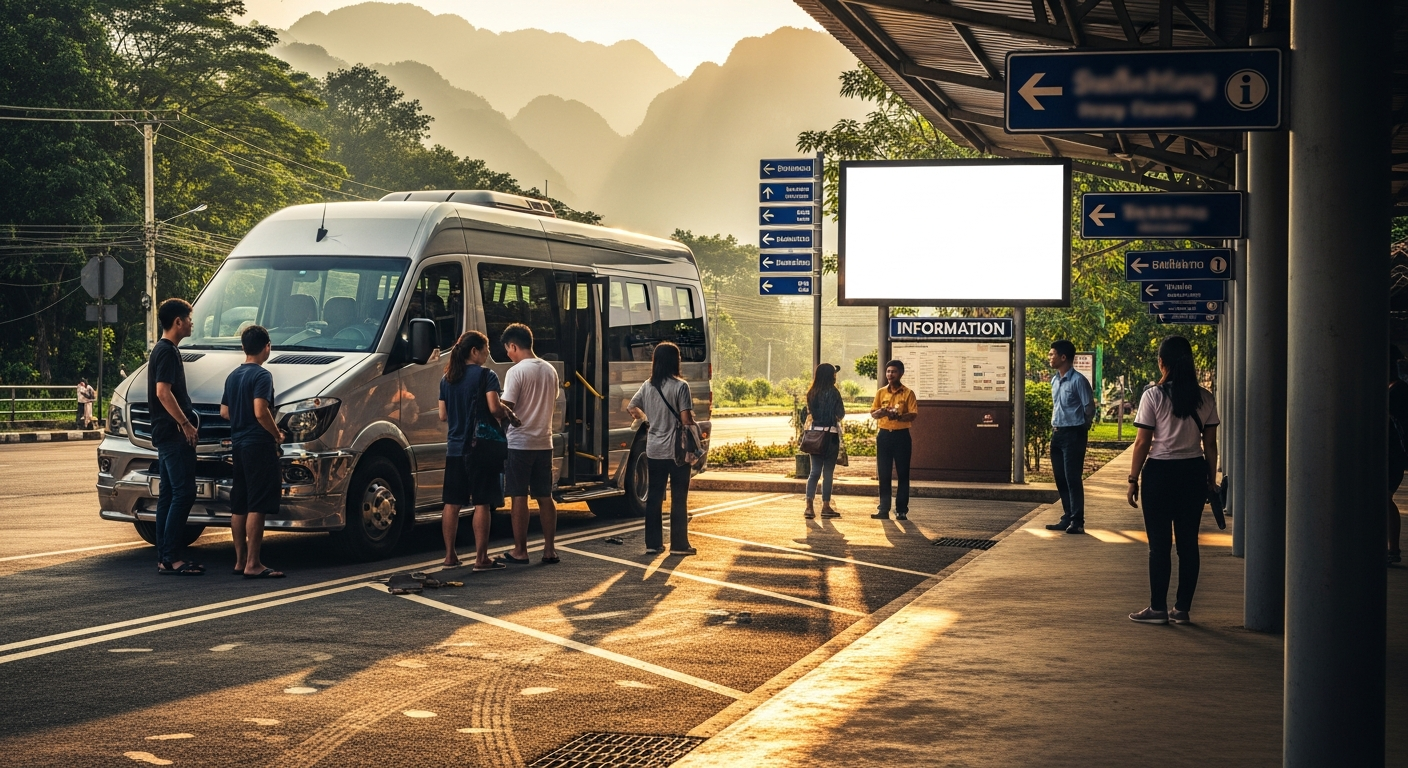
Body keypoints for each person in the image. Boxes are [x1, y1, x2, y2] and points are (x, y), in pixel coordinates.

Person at [1126, 336, 1219, 625]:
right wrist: (1210, 479)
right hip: (1192, 472)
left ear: (1162, 362)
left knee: (1160, 545)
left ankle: (1157, 608)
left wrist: (1132, 479)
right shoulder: (1205, 397)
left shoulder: (1153, 396)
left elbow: (1142, 442)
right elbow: (1211, 444)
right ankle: (1182, 609)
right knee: (1188, 543)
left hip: (1160, 473)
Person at [439, 330, 517, 571]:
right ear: (475, 351)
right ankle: (481, 558)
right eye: (486, 350)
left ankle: (450, 556)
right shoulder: (486, 376)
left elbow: (443, 416)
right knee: (482, 502)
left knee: (452, 503)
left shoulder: (447, 379)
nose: (488, 355)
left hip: (454, 448)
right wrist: (508, 413)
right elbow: (494, 407)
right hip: (479, 447)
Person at [219, 325, 285, 579]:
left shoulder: (233, 376)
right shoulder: (262, 376)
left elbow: (224, 412)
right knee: (258, 503)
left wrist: (241, 418)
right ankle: (254, 564)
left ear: (243, 347)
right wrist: (276, 433)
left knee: (240, 503)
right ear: (267, 346)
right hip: (258, 444)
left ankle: (240, 560)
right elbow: (260, 411)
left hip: (238, 444)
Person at [497, 323, 560, 565]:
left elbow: (507, 406)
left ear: (514, 345)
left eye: (508, 350)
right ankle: (549, 549)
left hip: (520, 443)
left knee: (519, 496)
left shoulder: (516, 372)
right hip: (545, 441)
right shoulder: (550, 370)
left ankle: (520, 550)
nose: (508, 355)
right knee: (545, 496)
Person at [149, 298, 203, 575]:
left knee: (169, 495)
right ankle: (170, 557)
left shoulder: (161, 350)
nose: (192, 323)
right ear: (178, 322)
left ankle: (165, 556)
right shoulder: (168, 352)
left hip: (163, 433)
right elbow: (162, 391)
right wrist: (185, 423)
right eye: (189, 318)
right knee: (184, 492)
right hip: (172, 434)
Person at [628, 341, 698, 554]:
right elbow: (686, 419)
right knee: (678, 497)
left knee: (654, 496)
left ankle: (653, 544)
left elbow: (632, 407)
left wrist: (648, 420)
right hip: (677, 451)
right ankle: (679, 545)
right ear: (675, 361)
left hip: (654, 449)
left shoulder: (647, 386)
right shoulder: (681, 386)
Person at [1045, 340, 1096, 534]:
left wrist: (1083, 427)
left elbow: (1089, 407)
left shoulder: (1078, 380)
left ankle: (1077, 520)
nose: (1049, 357)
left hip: (1073, 434)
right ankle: (1067, 516)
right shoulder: (1054, 380)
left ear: (1063, 357)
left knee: (1073, 477)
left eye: (1052, 354)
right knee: (1060, 478)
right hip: (1057, 434)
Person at [870, 359, 917, 520]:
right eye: (888, 371)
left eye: (894, 371)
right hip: (884, 436)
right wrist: (883, 411)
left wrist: (899, 416)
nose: (890, 374)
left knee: (903, 473)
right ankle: (883, 509)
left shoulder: (908, 393)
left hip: (901, 436)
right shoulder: (881, 392)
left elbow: (913, 414)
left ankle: (901, 510)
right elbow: (873, 413)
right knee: (884, 473)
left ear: (901, 373)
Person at [803, 363, 845, 520]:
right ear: (830, 376)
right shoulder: (834, 393)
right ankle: (826, 506)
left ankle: (809, 507)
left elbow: (809, 413)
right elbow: (840, 413)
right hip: (830, 436)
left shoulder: (811, 392)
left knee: (814, 472)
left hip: (815, 436)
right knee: (827, 473)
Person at [1388, 345, 1407, 567]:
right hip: (1393, 455)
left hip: (1392, 455)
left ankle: (1392, 548)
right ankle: (1391, 548)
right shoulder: (1398, 390)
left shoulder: (1398, 392)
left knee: (1384, 498)